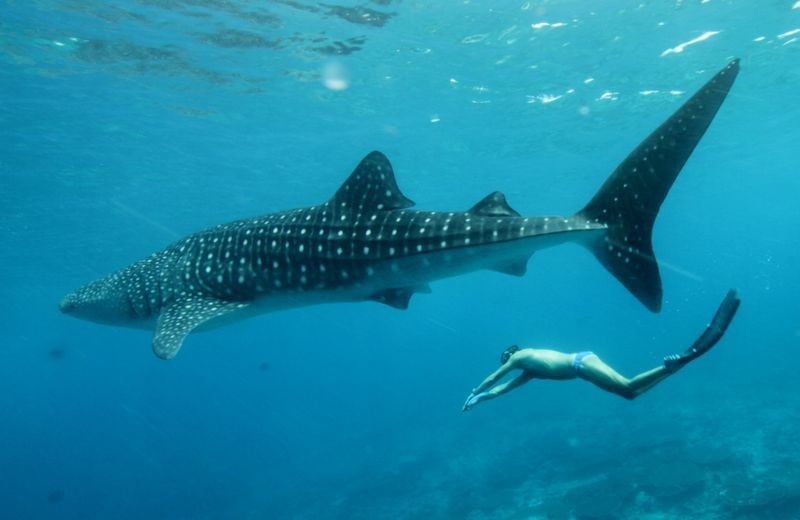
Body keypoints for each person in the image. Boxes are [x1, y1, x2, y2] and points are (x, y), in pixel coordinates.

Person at [462, 289, 740, 410]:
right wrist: (481, 400)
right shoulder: (529, 372)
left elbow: (495, 377)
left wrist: (474, 389)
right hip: (583, 365)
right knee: (631, 394)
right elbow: (502, 388)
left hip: (580, 364)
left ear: (511, 354)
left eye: (505, 358)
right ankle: (671, 368)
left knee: (629, 386)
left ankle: (669, 366)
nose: (505, 362)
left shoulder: (520, 356)